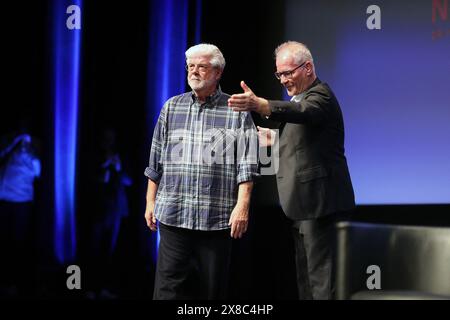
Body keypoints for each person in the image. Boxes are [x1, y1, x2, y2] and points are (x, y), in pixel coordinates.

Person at [228, 41, 355, 299]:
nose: (283, 80)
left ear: (308, 67)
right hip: (301, 207)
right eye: (279, 74)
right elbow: (301, 146)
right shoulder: (301, 100)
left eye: (288, 72)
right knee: (306, 282)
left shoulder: (321, 96)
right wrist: (272, 140)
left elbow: (302, 113)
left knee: (323, 283)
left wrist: (261, 105)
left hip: (321, 208)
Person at [144, 43, 258, 300]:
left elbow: (248, 164)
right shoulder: (171, 107)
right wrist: (150, 201)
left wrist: (243, 206)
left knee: (212, 292)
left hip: (215, 218)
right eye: (190, 66)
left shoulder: (236, 110)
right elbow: (156, 160)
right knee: (166, 292)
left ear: (217, 73)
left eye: (202, 67)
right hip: (174, 214)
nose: (194, 72)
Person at [87, 128, 132, 299]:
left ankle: (104, 287)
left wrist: (118, 167)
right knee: (94, 249)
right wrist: (104, 166)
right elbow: (92, 179)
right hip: (98, 207)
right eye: (106, 138)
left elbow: (129, 181)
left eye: (111, 138)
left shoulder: (120, 157)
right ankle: (90, 288)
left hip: (115, 209)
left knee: (109, 251)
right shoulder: (95, 156)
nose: (108, 142)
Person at [0, 132, 41, 297]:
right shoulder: (9, 151)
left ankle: (15, 282)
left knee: (17, 242)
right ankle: (5, 281)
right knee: (4, 240)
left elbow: (38, 172)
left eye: (26, 142)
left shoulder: (34, 158)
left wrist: (32, 154)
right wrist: (13, 142)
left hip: (22, 201)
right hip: (4, 198)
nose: (24, 144)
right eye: (21, 141)